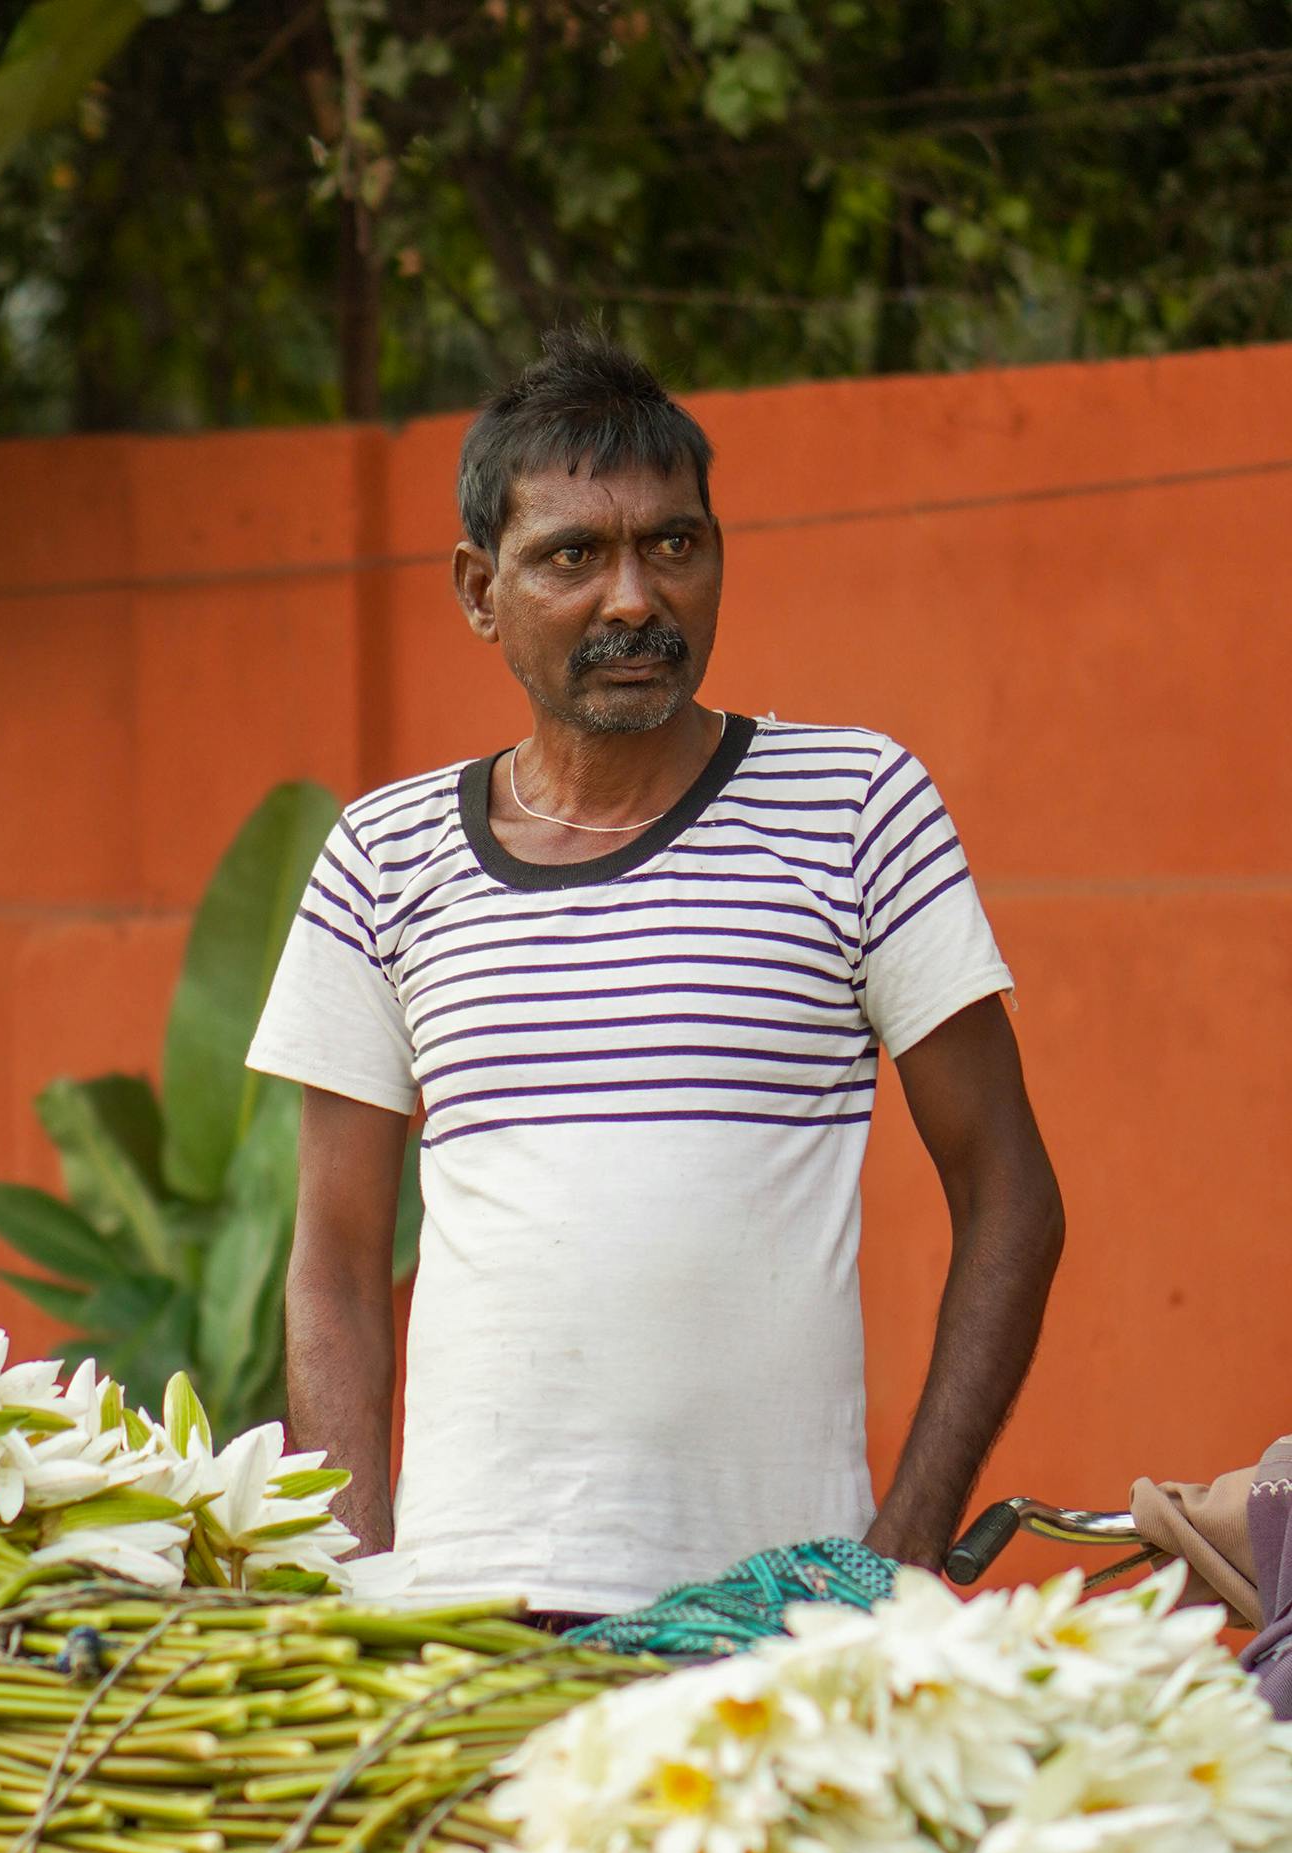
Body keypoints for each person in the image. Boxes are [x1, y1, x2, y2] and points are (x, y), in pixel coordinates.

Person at [247, 331, 1064, 1614]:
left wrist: (899, 1551)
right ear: (478, 589)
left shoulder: (856, 808)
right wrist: (355, 1586)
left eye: (673, 545)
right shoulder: (382, 859)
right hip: (467, 1620)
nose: (634, 598)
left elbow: (1011, 1195)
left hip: (780, 1620)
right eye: (575, 555)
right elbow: (337, 1262)